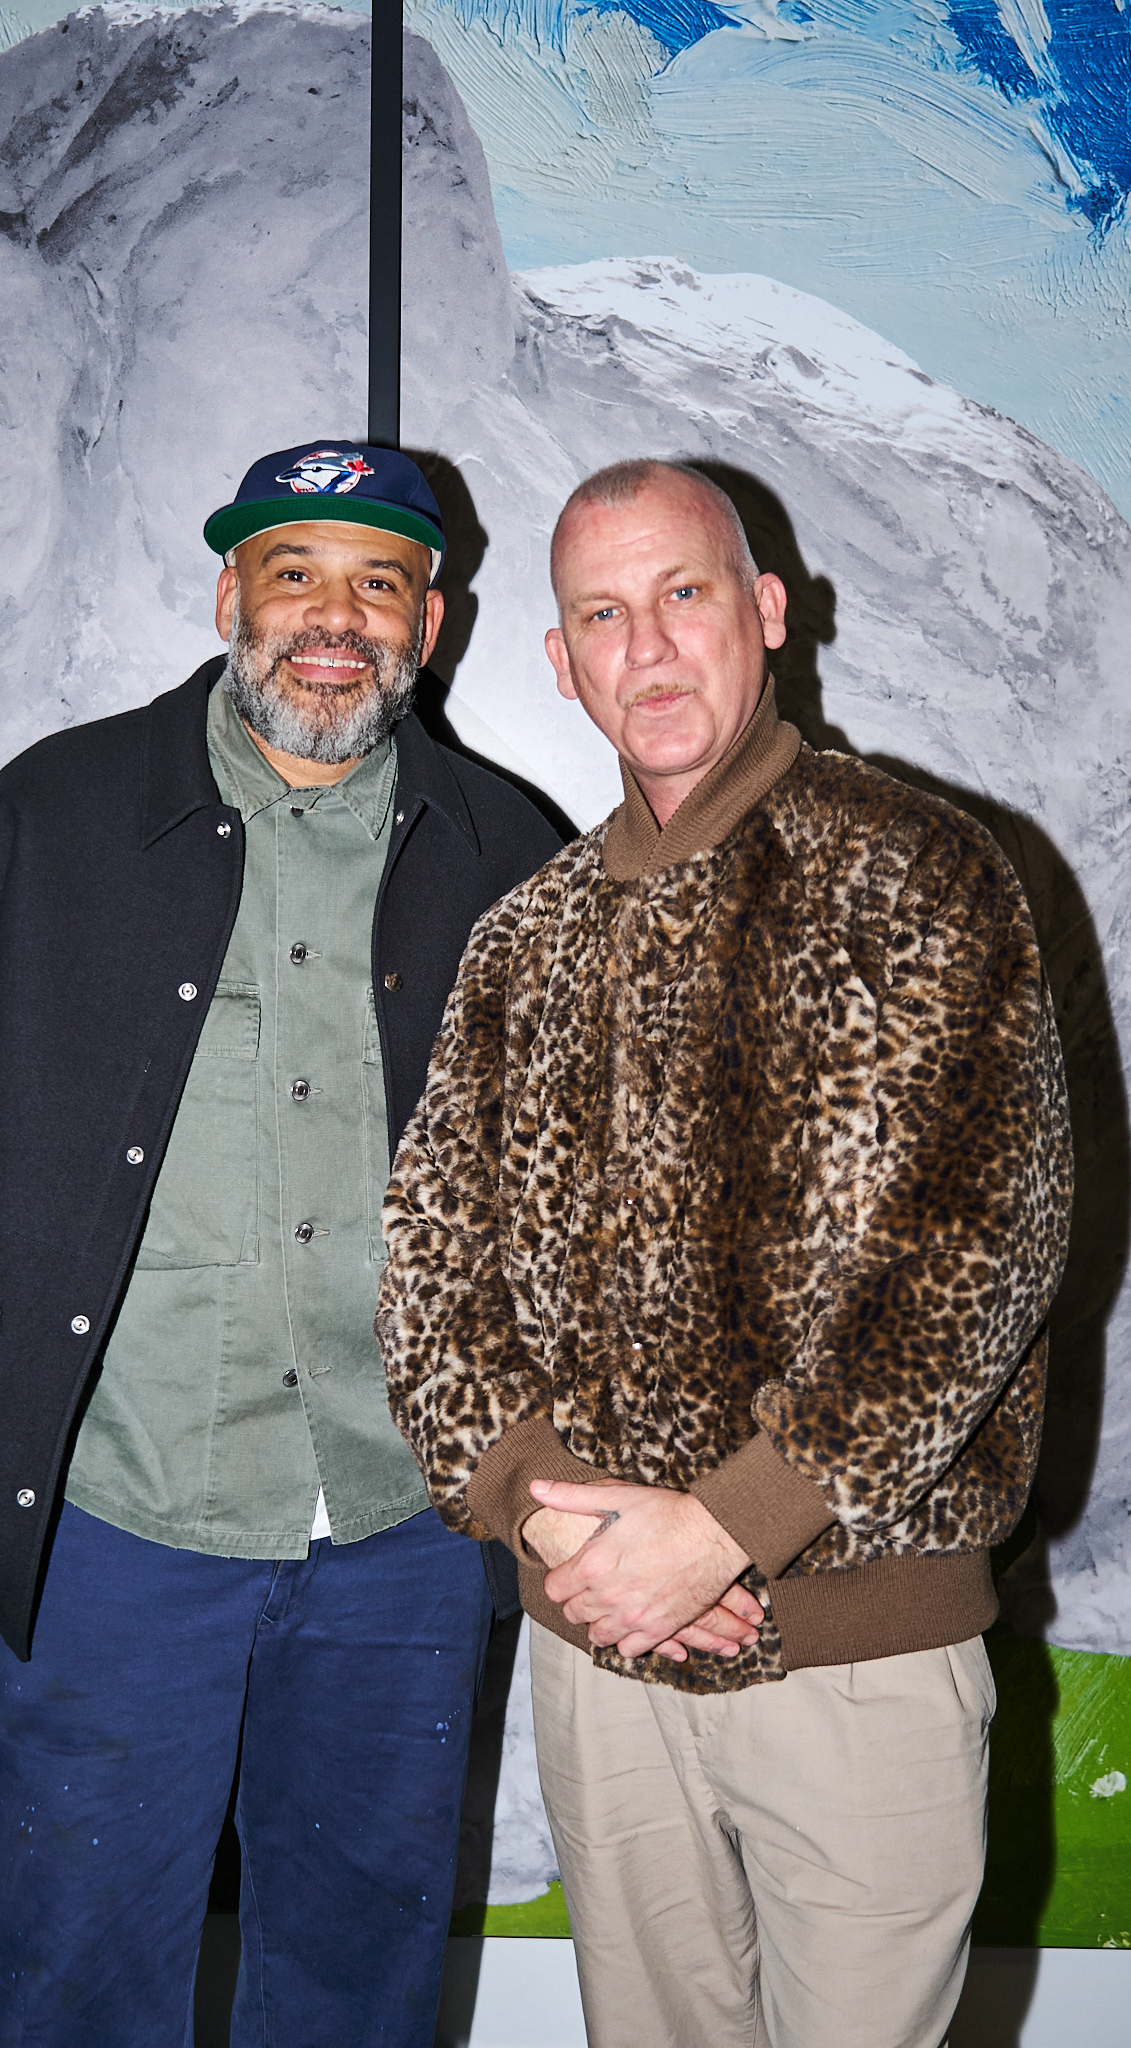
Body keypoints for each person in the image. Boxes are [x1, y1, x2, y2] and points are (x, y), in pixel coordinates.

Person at [0, 440, 562, 2048]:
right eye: (294, 573)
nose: (334, 619)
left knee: (358, 1996)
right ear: (231, 597)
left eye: (379, 584)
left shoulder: (510, 853)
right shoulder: (55, 811)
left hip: (404, 1537)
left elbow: (581, 1187)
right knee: (76, 1990)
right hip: (110, 1522)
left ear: (428, 625)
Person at [378, 458, 1074, 2048]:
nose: (646, 647)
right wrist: (558, 1526)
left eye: (681, 593)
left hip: (858, 1654)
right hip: (599, 1658)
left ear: (763, 611)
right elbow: (430, 1273)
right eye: (601, 616)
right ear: (558, 661)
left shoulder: (919, 872)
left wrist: (730, 1527)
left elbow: (978, 1244)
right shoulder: (522, 939)